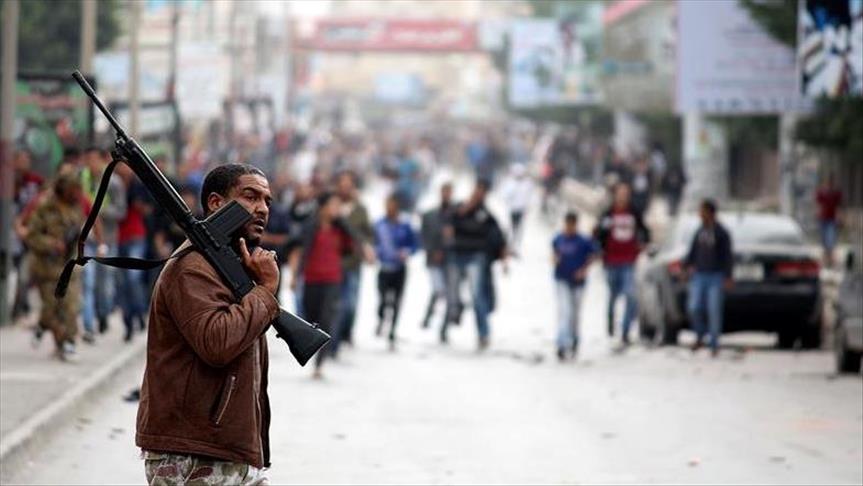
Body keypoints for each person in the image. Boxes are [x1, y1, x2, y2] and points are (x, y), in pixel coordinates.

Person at [137, 164, 278, 484]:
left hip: (226, 448)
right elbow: (218, 343)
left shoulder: (227, 265)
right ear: (216, 203)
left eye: (267, 201)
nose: (262, 208)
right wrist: (266, 291)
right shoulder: (193, 267)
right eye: (250, 197)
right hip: (194, 451)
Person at [289, 192, 359, 379]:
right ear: (322, 207)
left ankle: (320, 363)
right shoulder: (310, 227)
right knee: (311, 318)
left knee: (327, 320)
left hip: (332, 280)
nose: (336, 209)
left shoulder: (341, 229)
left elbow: (352, 247)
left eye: (338, 205)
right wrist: (294, 276)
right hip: (311, 279)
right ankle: (313, 351)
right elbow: (298, 250)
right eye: (333, 205)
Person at [24, 171, 85, 362]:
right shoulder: (45, 207)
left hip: (69, 267)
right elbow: (31, 235)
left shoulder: (76, 207)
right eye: (72, 190)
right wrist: (52, 244)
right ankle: (49, 331)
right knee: (50, 309)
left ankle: (68, 342)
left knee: (71, 306)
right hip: (47, 268)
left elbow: (83, 228)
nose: (76, 193)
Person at [444, 180, 505, 349]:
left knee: (477, 296)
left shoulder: (486, 215)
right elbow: (447, 222)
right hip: (457, 255)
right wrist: (462, 212)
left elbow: (498, 237)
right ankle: (452, 319)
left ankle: (483, 333)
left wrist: (502, 255)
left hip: (476, 257)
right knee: (452, 294)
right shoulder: (459, 208)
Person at [80, 146, 127, 341]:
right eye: (88, 159)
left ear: (102, 160)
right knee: (87, 282)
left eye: (94, 159)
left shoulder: (114, 182)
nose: (91, 164)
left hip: (107, 239)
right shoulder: (81, 180)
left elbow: (121, 211)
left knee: (105, 283)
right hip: (85, 239)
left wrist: (99, 210)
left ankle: (103, 313)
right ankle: (88, 325)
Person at [596, 183, 650, 347]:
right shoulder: (608, 213)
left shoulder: (634, 212)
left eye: (626, 193)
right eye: (620, 193)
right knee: (613, 295)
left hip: (628, 261)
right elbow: (598, 234)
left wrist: (643, 244)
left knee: (631, 296)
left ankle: (625, 330)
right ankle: (611, 322)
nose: (623, 197)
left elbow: (645, 231)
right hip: (611, 261)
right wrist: (600, 250)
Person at [684, 199, 733, 357]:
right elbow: (692, 252)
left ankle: (714, 344)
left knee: (714, 310)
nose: (700, 214)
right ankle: (700, 335)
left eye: (702, 211)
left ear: (710, 213)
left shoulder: (721, 232)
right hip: (699, 275)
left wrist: (728, 276)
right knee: (694, 307)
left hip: (716, 276)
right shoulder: (699, 231)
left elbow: (727, 256)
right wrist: (685, 267)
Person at [333, 171, 373, 355]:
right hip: (333, 263)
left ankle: (345, 332)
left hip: (353, 264)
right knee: (335, 304)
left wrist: (366, 247)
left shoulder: (360, 209)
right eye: (342, 185)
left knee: (350, 304)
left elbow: (368, 234)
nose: (345, 189)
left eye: (348, 185)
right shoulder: (331, 206)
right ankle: (333, 340)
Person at [373, 194, 419, 350]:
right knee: (383, 299)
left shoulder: (405, 225)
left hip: (400, 269)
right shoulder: (379, 224)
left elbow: (414, 244)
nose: (389, 208)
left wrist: (406, 251)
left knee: (397, 302)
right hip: (384, 268)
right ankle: (381, 317)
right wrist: (376, 252)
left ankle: (392, 331)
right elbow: (373, 242)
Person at [116, 163, 153, 342]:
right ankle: (128, 321)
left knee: (133, 278)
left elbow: (149, 209)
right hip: (117, 238)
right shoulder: (113, 184)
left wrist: (139, 205)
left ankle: (139, 311)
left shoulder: (139, 186)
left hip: (136, 235)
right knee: (122, 284)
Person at [552, 211, 596, 361]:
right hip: (562, 279)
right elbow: (554, 253)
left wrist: (583, 270)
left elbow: (593, 255)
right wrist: (555, 260)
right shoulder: (558, 238)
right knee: (565, 311)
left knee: (575, 314)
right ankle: (562, 343)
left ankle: (575, 339)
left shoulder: (583, 241)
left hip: (578, 283)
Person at [420, 182, 454, 330]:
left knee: (449, 293)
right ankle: (428, 316)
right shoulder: (430, 215)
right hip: (434, 260)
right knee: (438, 290)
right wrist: (433, 251)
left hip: (450, 260)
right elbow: (424, 236)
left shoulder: (455, 215)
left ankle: (444, 327)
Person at [500, 164, 533, 253]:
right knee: (510, 228)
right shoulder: (510, 183)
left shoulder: (527, 184)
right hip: (512, 209)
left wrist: (527, 207)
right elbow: (505, 196)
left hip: (521, 210)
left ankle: (515, 247)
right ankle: (507, 246)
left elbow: (529, 197)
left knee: (518, 229)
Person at [815, 173, 842, 267]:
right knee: (824, 241)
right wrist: (817, 214)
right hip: (823, 219)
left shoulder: (836, 193)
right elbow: (818, 204)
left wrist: (839, 217)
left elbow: (838, 206)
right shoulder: (822, 192)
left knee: (830, 240)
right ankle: (826, 261)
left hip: (831, 220)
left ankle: (831, 261)